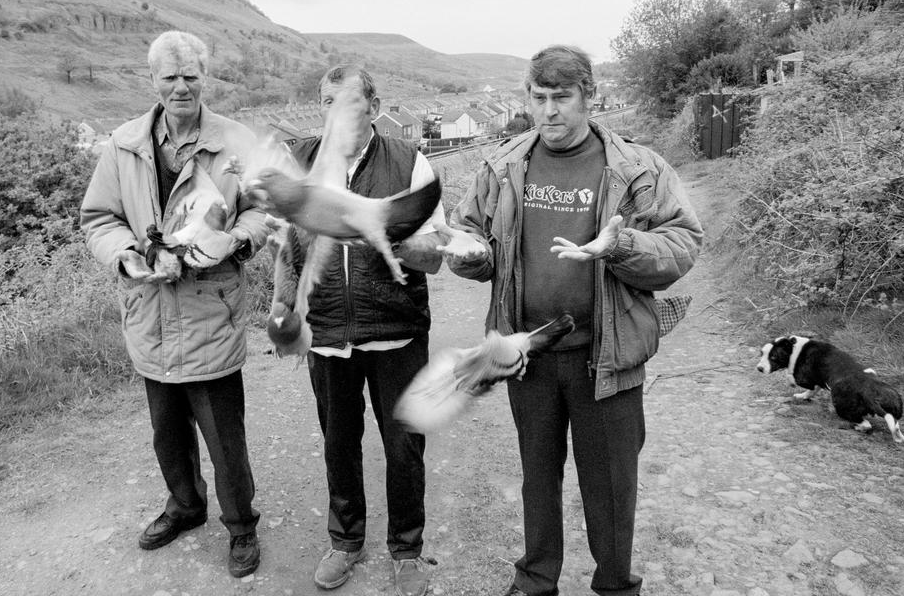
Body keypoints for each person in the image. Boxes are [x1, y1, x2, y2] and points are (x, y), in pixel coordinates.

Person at [440, 45, 702, 596]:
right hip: (528, 357)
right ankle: (537, 579)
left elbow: (682, 245)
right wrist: (470, 255)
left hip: (604, 359)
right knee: (538, 477)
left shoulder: (638, 169)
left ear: (590, 97)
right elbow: (473, 238)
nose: (550, 111)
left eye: (562, 98)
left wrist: (621, 244)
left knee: (610, 485)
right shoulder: (503, 165)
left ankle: (614, 585)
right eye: (539, 98)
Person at [79, 30, 272, 579]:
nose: (181, 87)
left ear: (204, 78)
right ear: (153, 81)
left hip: (211, 306)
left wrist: (235, 241)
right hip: (150, 311)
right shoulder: (122, 144)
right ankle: (185, 507)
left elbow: (263, 210)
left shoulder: (236, 140)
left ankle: (240, 526)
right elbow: (99, 219)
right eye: (170, 77)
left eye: (190, 75)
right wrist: (125, 257)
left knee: (223, 434)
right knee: (167, 431)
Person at [291, 65, 447, 596]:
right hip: (328, 330)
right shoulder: (300, 165)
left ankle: (406, 548)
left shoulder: (410, 164)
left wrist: (388, 240)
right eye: (326, 102)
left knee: (404, 445)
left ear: (374, 107)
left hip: (397, 332)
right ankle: (345, 541)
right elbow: (284, 250)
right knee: (339, 441)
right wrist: (282, 310)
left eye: (348, 103)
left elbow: (435, 256)